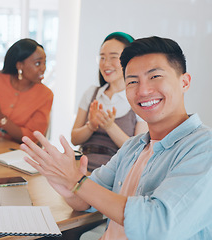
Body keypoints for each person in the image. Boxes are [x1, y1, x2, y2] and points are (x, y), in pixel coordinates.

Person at [20, 36, 212, 239]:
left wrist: (77, 181)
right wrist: (65, 183)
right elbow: (85, 201)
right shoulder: (133, 147)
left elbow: (158, 224)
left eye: (155, 77)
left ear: (184, 82)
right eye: (132, 81)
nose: (143, 90)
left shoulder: (203, 148)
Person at [71, 32, 148, 171]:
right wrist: (91, 126)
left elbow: (138, 152)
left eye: (113, 57)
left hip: (114, 174)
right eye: (102, 57)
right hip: (81, 168)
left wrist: (110, 126)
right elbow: (74, 139)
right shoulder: (92, 93)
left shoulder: (141, 99)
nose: (106, 63)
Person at [0, 38, 53, 142]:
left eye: (44, 62)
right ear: (20, 65)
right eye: (38, 63)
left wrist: (1, 118)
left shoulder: (45, 95)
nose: (43, 68)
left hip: (18, 151)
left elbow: (32, 137)